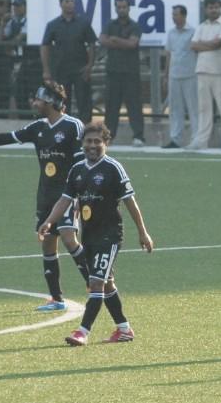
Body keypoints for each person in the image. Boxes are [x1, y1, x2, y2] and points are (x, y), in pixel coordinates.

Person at [0, 83, 91, 311]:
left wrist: (80, 194)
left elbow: (80, 163)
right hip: (45, 195)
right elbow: (8, 137)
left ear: (50, 102)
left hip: (66, 194)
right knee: (47, 244)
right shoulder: (38, 127)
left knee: (68, 236)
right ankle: (57, 299)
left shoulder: (73, 126)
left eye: (37, 99)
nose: (34, 103)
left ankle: (94, 284)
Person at [39, 122, 154, 346]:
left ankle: (82, 331)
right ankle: (124, 329)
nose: (92, 146)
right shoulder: (77, 170)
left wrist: (143, 232)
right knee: (107, 283)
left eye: (97, 142)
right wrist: (49, 221)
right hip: (89, 236)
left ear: (106, 144)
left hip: (109, 235)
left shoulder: (113, 168)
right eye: (88, 142)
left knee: (96, 283)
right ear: (82, 144)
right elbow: (65, 200)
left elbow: (130, 202)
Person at [41, 0, 97, 123]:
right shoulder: (53, 25)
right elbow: (45, 46)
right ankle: (64, 129)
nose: (70, 4)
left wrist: (89, 66)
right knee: (62, 100)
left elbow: (92, 44)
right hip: (61, 69)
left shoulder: (83, 23)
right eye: (67, 1)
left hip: (80, 69)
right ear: (61, 4)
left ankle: (85, 129)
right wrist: (46, 70)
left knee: (84, 101)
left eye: (72, 1)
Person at [186, 0, 221, 150]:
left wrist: (203, 45)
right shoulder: (201, 26)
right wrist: (209, 45)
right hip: (202, 70)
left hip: (220, 71)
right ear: (206, 9)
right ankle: (201, 140)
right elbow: (193, 45)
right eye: (211, 7)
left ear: (220, 9)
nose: (214, 10)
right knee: (204, 108)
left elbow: (219, 43)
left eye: (216, 7)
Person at [100, 0, 145, 146]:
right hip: (113, 71)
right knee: (111, 106)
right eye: (119, 7)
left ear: (129, 8)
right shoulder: (110, 24)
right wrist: (122, 42)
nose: (121, 10)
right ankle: (108, 137)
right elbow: (102, 40)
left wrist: (115, 40)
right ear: (115, 8)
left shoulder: (135, 26)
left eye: (124, 7)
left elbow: (133, 44)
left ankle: (138, 136)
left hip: (130, 72)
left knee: (134, 105)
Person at [162, 4, 198, 149]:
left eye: (176, 14)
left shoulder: (193, 32)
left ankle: (196, 138)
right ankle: (175, 139)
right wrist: (165, 75)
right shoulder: (171, 33)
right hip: (174, 75)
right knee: (175, 109)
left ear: (183, 16)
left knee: (193, 108)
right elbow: (169, 54)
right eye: (173, 15)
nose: (174, 17)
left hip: (190, 74)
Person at [3, 0, 43, 110]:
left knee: (36, 90)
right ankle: (23, 116)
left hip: (34, 61)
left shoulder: (30, 20)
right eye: (14, 6)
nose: (16, 8)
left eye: (19, 6)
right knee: (19, 91)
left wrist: (9, 46)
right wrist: (2, 22)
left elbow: (20, 37)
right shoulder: (13, 21)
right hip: (21, 60)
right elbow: (3, 36)